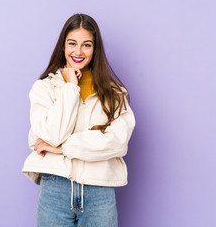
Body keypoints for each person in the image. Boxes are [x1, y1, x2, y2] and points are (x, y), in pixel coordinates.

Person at [22, 13, 135, 227]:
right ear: (63, 46)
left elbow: (117, 142)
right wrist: (70, 87)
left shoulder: (115, 94)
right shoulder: (45, 88)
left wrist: (63, 149)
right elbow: (52, 135)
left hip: (99, 190)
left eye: (87, 45)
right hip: (55, 188)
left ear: (95, 49)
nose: (78, 51)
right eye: (72, 43)